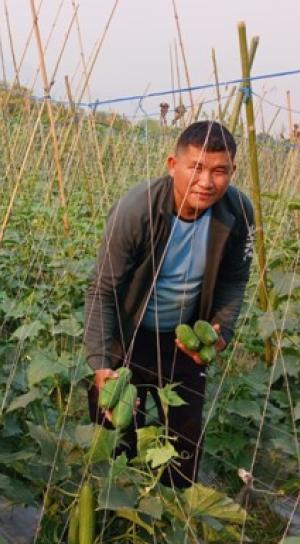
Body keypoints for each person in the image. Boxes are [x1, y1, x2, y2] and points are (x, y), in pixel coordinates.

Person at [83, 120, 254, 489]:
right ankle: (114, 502)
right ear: (173, 165)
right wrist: (101, 363)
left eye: (219, 171)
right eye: (196, 167)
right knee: (113, 429)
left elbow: (234, 280)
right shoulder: (137, 210)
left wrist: (222, 330)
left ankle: (172, 505)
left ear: (232, 171)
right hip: (129, 333)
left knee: (184, 440)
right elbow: (102, 290)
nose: (206, 182)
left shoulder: (238, 212)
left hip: (183, 340)